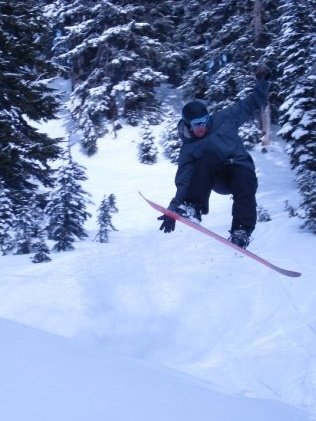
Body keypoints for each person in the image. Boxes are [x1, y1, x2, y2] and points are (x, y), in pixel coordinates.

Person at [158, 65, 271, 248]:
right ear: (188, 125)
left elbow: (252, 102)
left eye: (205, 121)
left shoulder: (224, 118)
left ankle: (241, 231)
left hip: (240, 168)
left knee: (245, 182)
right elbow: (184, 180)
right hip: (217, 177)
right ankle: (192, 207)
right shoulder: (189, 148)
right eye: (196, 124)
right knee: (206, 157)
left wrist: (263, 81)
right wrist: (175, 208)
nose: (202, 127)